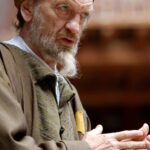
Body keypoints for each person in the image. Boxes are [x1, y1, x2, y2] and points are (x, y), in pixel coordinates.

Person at [0, 0, 150, 149]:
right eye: (64, 8)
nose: (75, 27)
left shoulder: (69, 92)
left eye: (84, 15)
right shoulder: (3, 65)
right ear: (28, 9)